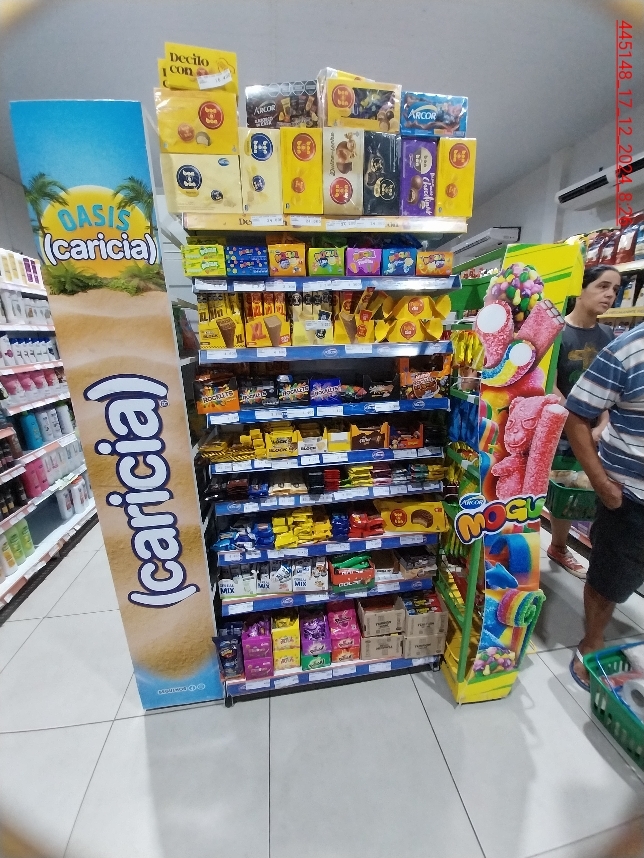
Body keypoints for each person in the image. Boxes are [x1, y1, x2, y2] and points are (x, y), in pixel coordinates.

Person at [565, 320, 644, 689]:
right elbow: (576, 414)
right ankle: (591, 642)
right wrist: (601, 482)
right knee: (608, 578)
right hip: (630, 496)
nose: (610, 295)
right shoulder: (627, 349)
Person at [547, 265, 621, 576]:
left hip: (596, 430)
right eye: (603, 286)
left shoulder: (608, 336)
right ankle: (552, 546)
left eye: (615, 289)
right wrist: (574, 421)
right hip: (559, 426)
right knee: (556, 489)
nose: (610, 295)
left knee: (580, 492)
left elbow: (608, 388)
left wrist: (602, 424)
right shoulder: (557, 332)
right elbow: (550, 383)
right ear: (580, 288)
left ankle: (563, 547)